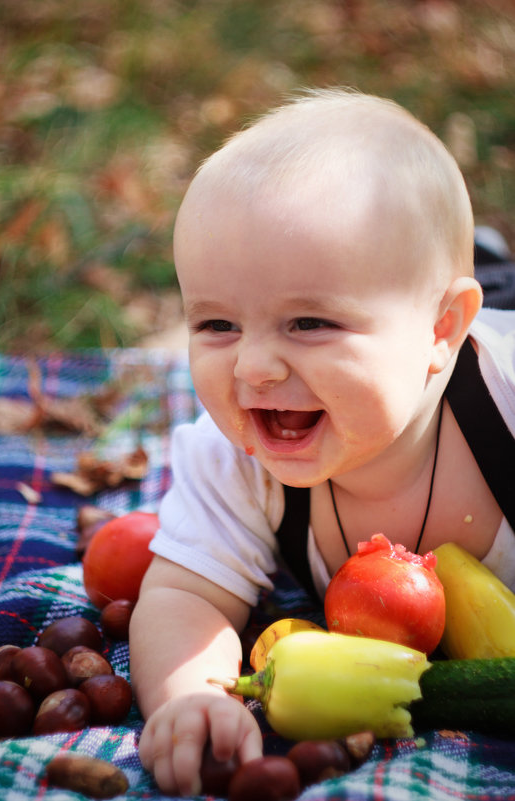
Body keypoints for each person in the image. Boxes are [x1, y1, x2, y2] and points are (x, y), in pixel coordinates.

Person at [129, 87, 515, 796]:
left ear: (439, 329)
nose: (252, 367)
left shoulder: (506, 404)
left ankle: (488, 265)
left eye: (307, 323)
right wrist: (193, 696)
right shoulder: (236, 462)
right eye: (216, 325)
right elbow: (185, 593)